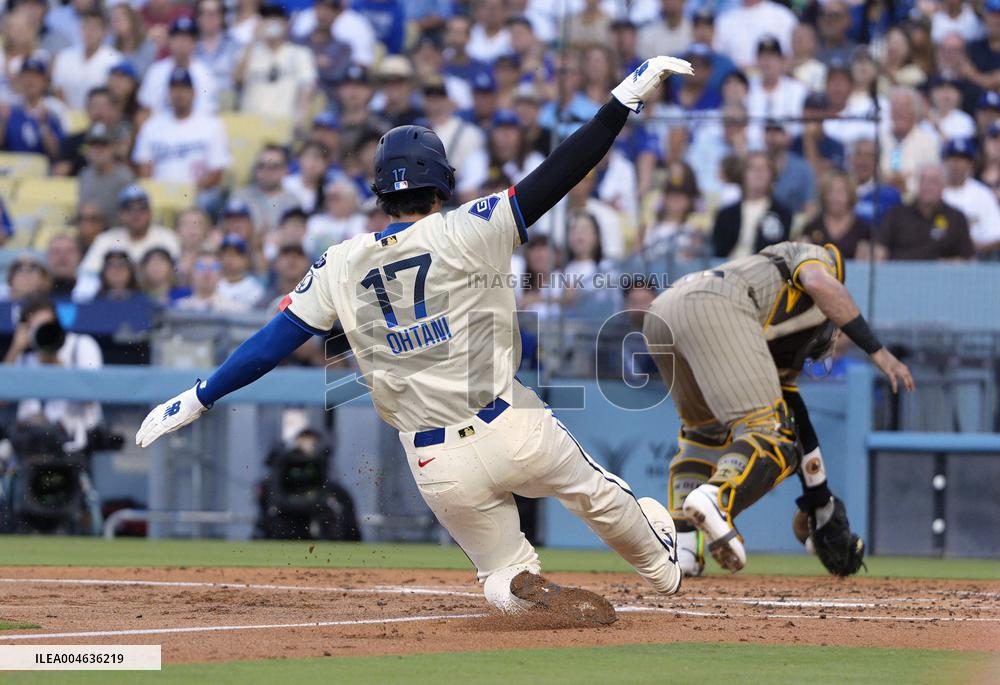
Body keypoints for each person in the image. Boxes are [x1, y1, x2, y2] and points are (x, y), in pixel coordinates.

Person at [135, 56, 695, 620]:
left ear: (379, 188)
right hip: (511, 423)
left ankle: (516, 587)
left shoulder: (340, 261)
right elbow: (559, 173)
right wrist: (622, 101)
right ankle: (662, 568)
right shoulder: (469, 227)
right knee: (601, 497)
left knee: (500, 571)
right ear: (442, 179)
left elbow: (272, 343)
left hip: (436, 461)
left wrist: (200, 395)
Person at [643, 241, 913, 574]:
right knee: (771, 433)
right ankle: (718, 497)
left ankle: (682, 549)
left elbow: (793, 408)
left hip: (662, 312)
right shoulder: (817, 257)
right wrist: (877, 351)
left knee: (704, 432)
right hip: (715, 304)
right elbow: (818, 282)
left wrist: (819, 497)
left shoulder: (773, 319)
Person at [132, 68, 230, 211]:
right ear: (168, 93)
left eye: (184, 89)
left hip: (197, 196)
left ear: (193, 92)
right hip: (160, 197)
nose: (179, 94)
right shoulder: (152, 126)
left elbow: (216, 174)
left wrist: (184, 194)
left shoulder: (212, 125)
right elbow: (145, 170)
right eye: (175, 89)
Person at [77, 185, 180, 300]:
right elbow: (88, 273)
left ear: (150, 212)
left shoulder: (167, 237)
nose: (136, 214)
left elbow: (177, 274)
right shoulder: (106, 239)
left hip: (158, 298)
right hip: (115, 301)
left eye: (141, 208)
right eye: (129, 209)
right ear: (120, 214)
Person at [234, 3, 316, 130]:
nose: (270, 23)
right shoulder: (249, 52)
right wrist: (253, 40)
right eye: (266, 19)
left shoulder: (300, 53)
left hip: (284, 123)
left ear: (286, 24)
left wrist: (300, 120)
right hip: (251, 124)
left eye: (275, 19)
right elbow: (237, 80)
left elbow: (307, 89)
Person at [878, 163, 975, 261]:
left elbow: (968, 259)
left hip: (941, 275)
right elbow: (880, 249)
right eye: (922, 180)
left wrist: (948, 263)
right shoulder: (896, 214)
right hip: (898, 273)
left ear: (943, 186)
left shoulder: (957, 218)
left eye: (933, 181)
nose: (927, 186)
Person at [712, 151, 792, 258]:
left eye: (764, 168)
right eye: (752, 168)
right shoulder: (726, 214)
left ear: (772, 175)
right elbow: (718, 251)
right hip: (727, 268)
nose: (758, 173)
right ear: (743, 174)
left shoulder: (782, 213)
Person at [138, 17, 218, 116]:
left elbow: (207, 112)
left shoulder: (205, 74)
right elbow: (146, 109)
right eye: (178, 38)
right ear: (170, 41)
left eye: (186, 39)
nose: (182, 43)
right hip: (160, 127)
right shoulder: (156, 71)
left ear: (195, 43)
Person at [51, 10, 122, 110]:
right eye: (86, 27)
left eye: (94, 28)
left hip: (100, 117)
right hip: (67, 115)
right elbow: (57, 89)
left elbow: (115, 95)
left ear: (104, 32)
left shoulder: (115, 60)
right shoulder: (65, 56)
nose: (89, 32)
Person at [941, 137, 1000, 255]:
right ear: (944, 161)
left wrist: (967, 248)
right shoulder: (935, 192)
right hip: (938, 257)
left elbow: (996, 236)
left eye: (962, 159)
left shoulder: (982, 194)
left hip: (977, 258)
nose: (956, 164)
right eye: (952, 158)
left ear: (971, 164)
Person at [0, 57, 64, 160]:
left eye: (35, 77)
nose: (30, 81)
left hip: (43, 172)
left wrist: (44, 125)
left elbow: (58, 153)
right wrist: (2, 122)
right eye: (26, 76)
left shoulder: (55, 109)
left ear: (45, 81)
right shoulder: (9, 108)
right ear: (19, 80)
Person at [800, 170, 873, 259]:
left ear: (850, 194)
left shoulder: (863, 230)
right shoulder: (812, 227)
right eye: (831, 191)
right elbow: (802, 259)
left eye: (841, 191)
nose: (835, 197)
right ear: (824, 194)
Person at [230, 145, 299, 235]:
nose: (267, 170)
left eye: (274, 166)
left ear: (285, 170)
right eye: (262, 165)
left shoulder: (293, 203)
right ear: (255, 169)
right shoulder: (239, 197)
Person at [78, 123, 135, 223]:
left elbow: (130, 214)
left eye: (103, 145)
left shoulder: (124, 177)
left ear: (113, 147)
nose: (98, 150)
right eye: (94, 145)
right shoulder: (85, 175)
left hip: (116, 233)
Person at [216, 233, 264, 310]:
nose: (229, 258)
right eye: (226, 254)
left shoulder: (254, 287)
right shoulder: (213, 283)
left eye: (235, 254)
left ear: (245, 259)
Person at [45, 234, 81, 299]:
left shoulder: (95, 291)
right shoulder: (33, 294)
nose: (62, 256)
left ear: (79, 257)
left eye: (69, 251)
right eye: (56, 251)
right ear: (47, 257)